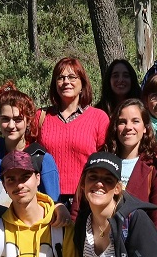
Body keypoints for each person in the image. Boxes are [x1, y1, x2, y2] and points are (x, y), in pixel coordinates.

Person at [0, 81, 61, 206]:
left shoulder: (42, 159)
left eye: (18, 119)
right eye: (5, 119)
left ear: (28, 121)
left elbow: (52, 205)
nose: (11, 126)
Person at [37, 58, 111, 203]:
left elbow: (105, 161)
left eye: (72, 77)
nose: (66, 82)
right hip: (46, 198)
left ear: (82, 83)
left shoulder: (99, 118)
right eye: (60, 78)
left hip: (85, 199)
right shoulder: (41, 117)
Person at [101, 99, 157, 228]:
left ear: (145, 128)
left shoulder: (155, 169)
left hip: (138, 243)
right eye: (122, 122)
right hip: (100, 241)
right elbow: (80, 206)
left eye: (135, 121)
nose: (128, 127)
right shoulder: (102, 162)